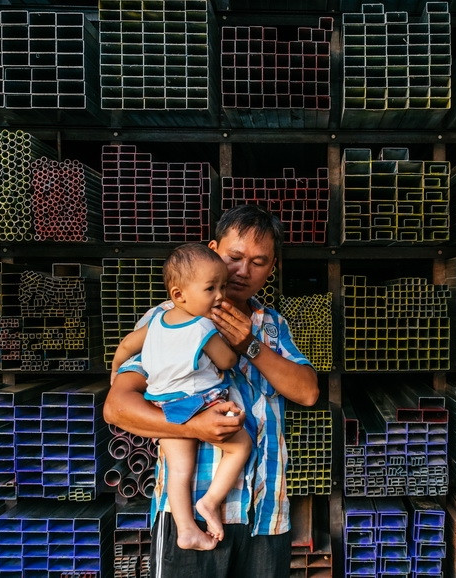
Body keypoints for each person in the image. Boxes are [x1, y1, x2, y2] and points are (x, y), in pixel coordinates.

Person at [103, 204, 319, 578]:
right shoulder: (166, 320)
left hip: (266, 513)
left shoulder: (272, 326)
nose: (242, 271)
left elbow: (308, 392)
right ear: (214, 249)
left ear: (272, 269)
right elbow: (117, 407)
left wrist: (249, 344)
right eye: (234, 257)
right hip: (186, 514)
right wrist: (194, 428)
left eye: (258, 261)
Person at [110, 243, 250, 552]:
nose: (219, 296)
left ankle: (186, 529)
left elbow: (124, 346)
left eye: (222, 287)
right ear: (179, 295)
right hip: (199, 403)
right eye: (211, 288)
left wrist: (115, 369)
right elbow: (226, 362)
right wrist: (230, 341)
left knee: (179, 470)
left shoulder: (155, 324)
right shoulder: (203, 326)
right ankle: (211, 502)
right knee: (240, 446)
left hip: (165, 405)